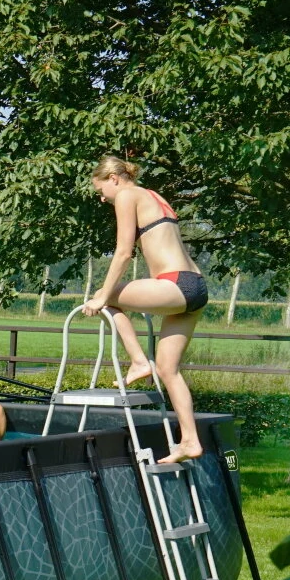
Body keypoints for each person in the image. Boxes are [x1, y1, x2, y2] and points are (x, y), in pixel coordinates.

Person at [82, 152, 207, 463]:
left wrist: (102, 296)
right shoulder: (153, 195)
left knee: (105, 295)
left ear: (113, 179)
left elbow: (124, 252)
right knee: (167, 369)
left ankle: (138, 362)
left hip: (174, 284)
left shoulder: (127, 195)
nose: (102, 198)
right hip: (195, 286)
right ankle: (190, 441)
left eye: (100, 191)